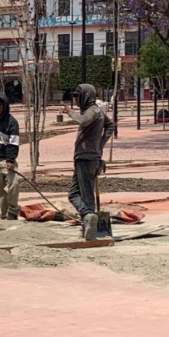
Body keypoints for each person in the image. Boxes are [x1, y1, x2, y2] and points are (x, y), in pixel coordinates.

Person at [64, 83, 116, 240]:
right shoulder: (98, 111)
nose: (76, 99)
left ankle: (89, 220)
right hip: (87, 156)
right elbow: (110, 125)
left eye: (77, 96)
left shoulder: (92, 111)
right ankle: (87, 220)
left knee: (87, 195)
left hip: (86, 158)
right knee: (73, 194)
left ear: (85, 96)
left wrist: (70, 112)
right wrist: (99, 145)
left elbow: (83, 121)